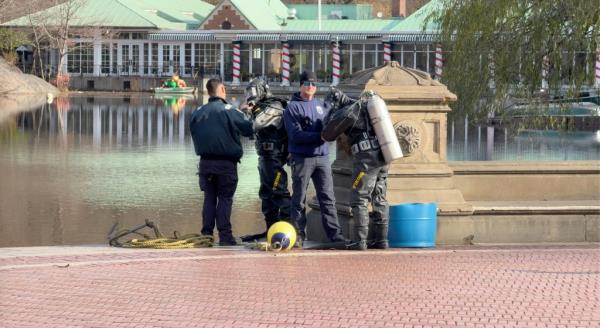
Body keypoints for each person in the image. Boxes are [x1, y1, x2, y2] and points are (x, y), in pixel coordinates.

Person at [283, 71, 347, 246]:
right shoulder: (292, 107)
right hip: (302, 159)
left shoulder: (321, 105)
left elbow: (331, 126)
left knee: (328, 198)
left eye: (313, 84)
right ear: (300, 85)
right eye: (306, 83)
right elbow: (295, 135)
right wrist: (321, 136)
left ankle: (335, 236)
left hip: (323, 158)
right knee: (299, 198)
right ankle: (298, 235)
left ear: (316, 87)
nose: (310, 87)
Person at [323, 88, 390, 250]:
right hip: (383, 156)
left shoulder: (348, 111)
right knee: (379, 198)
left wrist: (331, 112)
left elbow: (327, 134)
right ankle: (381, 240)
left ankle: (359, 241)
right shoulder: (365, 106)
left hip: (366, 159)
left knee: (359, 198)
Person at [189, 78, 254, 246]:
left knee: (209, 198)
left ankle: (206, 235)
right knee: (225, 199)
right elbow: (248, 128)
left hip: (205, 164)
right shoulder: (230, 110)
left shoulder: (197, 111)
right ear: (222, 90)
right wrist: (246, 112)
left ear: (208, 91)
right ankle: (225, 237)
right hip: (226, 164)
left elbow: (193, 130)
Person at [240, 78, 291, 242]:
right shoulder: (261, 107)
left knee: (278, 192)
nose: (250, 96)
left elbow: (252, 126)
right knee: (266, 194)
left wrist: (246, 110)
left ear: (262, 90)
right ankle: (271, 229)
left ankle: (287, 229)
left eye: (253, 92)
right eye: (249, 92)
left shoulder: (273, 106)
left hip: (274, 157)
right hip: (265, 157)